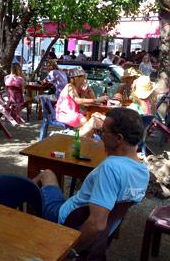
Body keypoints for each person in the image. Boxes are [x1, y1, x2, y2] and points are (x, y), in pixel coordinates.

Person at [35, 107, 149, 256]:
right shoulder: (143, 171)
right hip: (91, 228)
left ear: (119, 138)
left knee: (45, 174)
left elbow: (96, 224)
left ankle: (22, 225)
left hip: (64, 219)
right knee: (49, 177)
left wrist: (71, 251)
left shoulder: (111, 168)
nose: (99, 136)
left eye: (103, 132)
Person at [56, 67, 108, 137]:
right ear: (76, 78)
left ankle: (86, 140)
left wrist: (88, 89)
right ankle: (74, 138)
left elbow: (92, 99)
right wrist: (97, 100)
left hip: (74, 113)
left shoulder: (80, 88)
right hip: (64, 114)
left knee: (91, 120)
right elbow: (78, 100)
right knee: (86, 122)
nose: (85, 79)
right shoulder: (70, 86)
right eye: (83, 77)